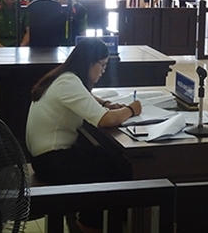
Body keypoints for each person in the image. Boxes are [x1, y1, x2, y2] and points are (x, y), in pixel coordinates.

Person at [26, 38, 141, 231]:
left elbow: (86, 97)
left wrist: (106, 103)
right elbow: (106, 120)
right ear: (89, 63)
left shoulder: (64, 77)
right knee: (114, 168)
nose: (103, 71)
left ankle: (93, 220)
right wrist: (131, 109)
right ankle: (89, 224)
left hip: (45, 157)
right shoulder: (68, 82)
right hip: (51, 162)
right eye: (102, 65)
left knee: (107, 158)